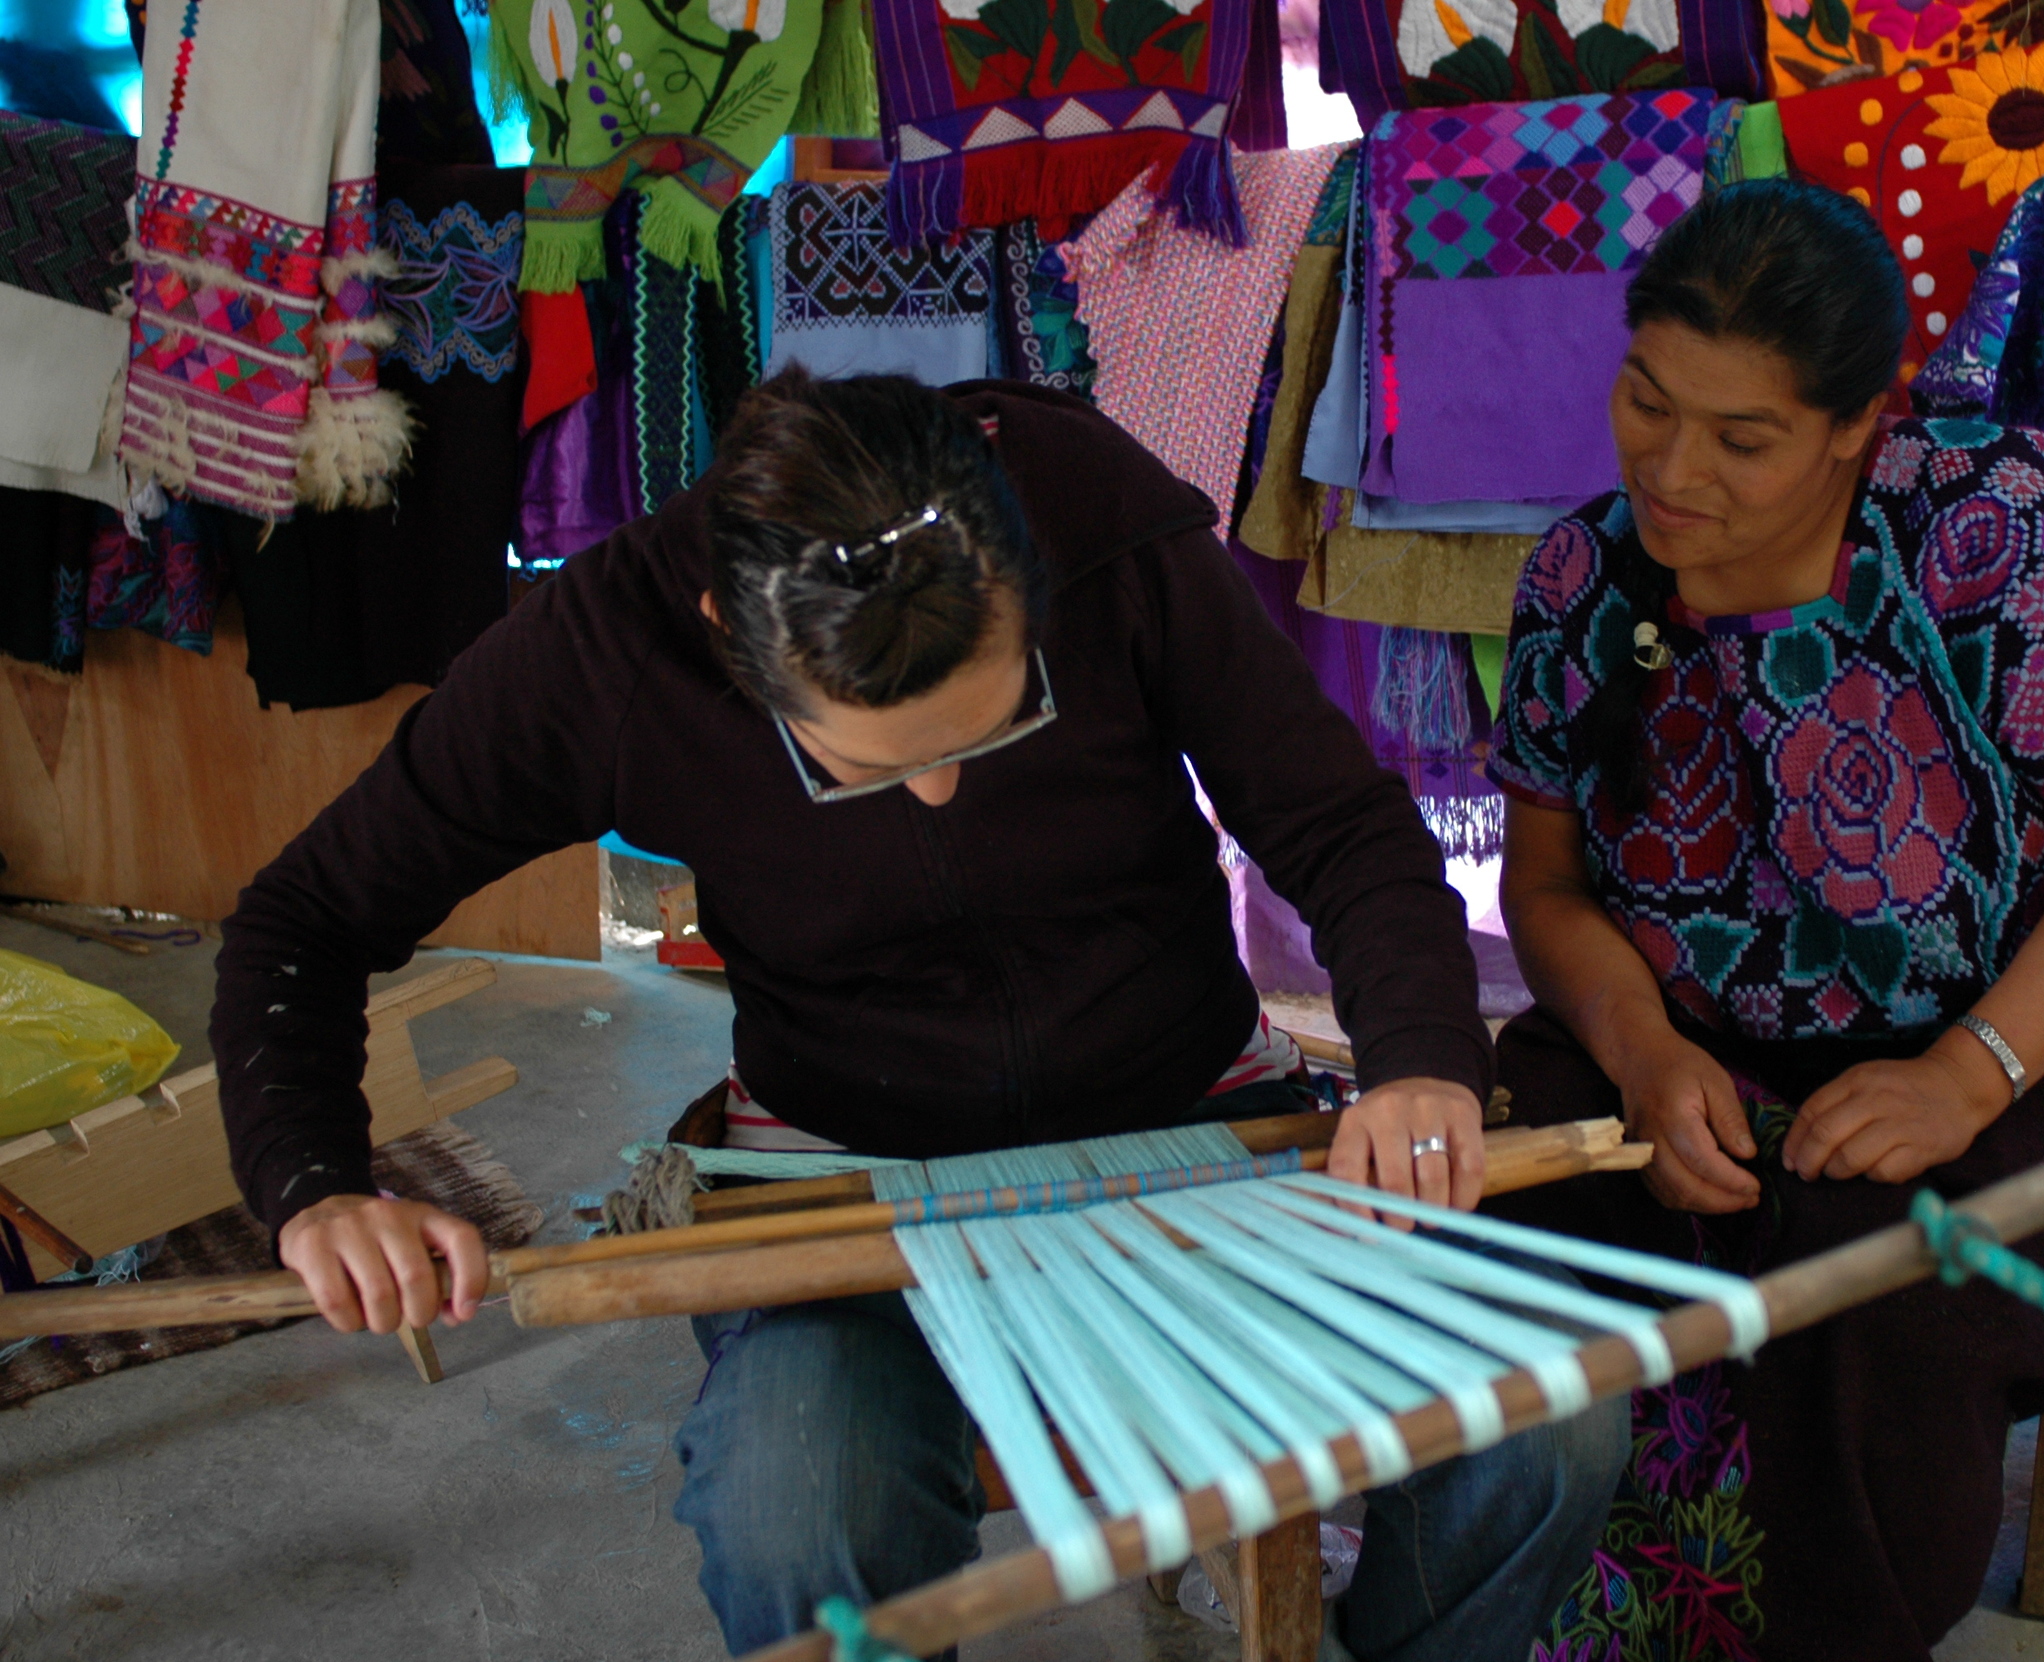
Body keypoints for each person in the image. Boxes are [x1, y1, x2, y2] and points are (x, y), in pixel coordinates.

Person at [208, 371, 1625, 1658]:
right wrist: (317, 1183)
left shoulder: (1112, 532)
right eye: (871, 768)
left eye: (989, 730)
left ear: (1032, 579)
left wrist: (1423, 1059)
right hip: (844, 1184)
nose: (943, 790)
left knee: (1546, 1417)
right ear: (731, 641)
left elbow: (1341, 826)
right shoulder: (612, 651)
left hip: (1203, 1130)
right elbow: (306, 916)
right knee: (798, 1516)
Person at [1482, 179, 2044, 1661]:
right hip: (1698, 1046)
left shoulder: (1997, 534)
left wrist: (1965, 1076)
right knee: (1511, 1172)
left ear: (1857, 423)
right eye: (1647, 399)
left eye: (1743, 437)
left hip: (2041, 1042)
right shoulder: (1582, 577)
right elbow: (1549, 884)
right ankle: (1545, 1605)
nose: (1672, 466)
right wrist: (1640, 1049)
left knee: (1876, 1274)